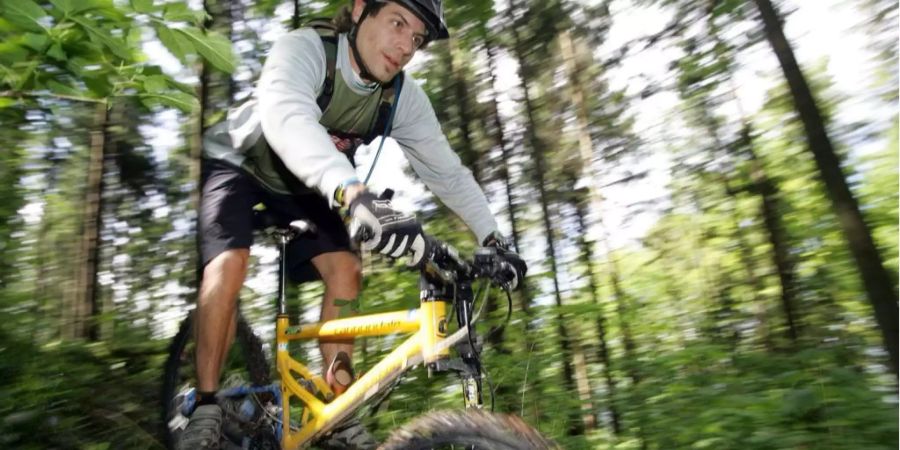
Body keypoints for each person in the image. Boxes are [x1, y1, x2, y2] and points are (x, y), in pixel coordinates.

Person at [178, 0, 527, 448]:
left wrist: (494, 238)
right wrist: (352, 193)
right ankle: (206, 405)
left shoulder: (401, 97)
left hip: (309, 186)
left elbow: (447, 173)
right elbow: (287, 117)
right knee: (228, 265)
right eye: (397, 23)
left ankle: (338, 409)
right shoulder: (306, 49)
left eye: (417, 39)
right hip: (241, 162)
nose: (405, 46)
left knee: (347, 271)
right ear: (361, 9)